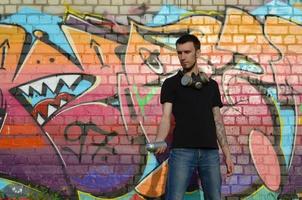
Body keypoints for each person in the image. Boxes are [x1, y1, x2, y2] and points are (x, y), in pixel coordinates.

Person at [154, 34, 234, 200]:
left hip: (210, 153)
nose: (182, 57)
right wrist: (161, 139)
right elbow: (166, 117)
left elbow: (217, 120)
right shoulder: (170, 84)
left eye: (187, 52)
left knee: (214, 197)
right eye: (179, 53)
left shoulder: (211, 86)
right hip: (182, 151)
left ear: (197, 53)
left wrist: (226, 153)